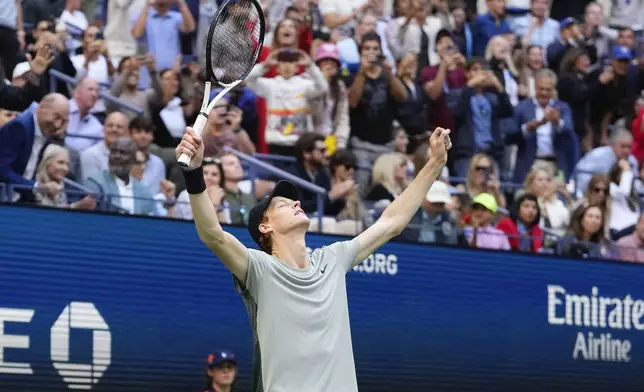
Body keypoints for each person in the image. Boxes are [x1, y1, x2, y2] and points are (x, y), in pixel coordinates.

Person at [174, 125, 452, 392]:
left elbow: (392, 222)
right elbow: (213, 234)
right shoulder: (259, 269)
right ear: (265, 226)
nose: (296, 203)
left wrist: (435, 164)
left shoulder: (333, 258)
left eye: (294, 201)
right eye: (282, 205)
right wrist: (194, 173)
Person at [0, 94, 69, 191]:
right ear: (42, 107)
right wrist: (36, 186)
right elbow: (2, 169)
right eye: (56, 117)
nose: (57, 125)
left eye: (63, 121)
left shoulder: (48, 132)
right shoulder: (19, 127)